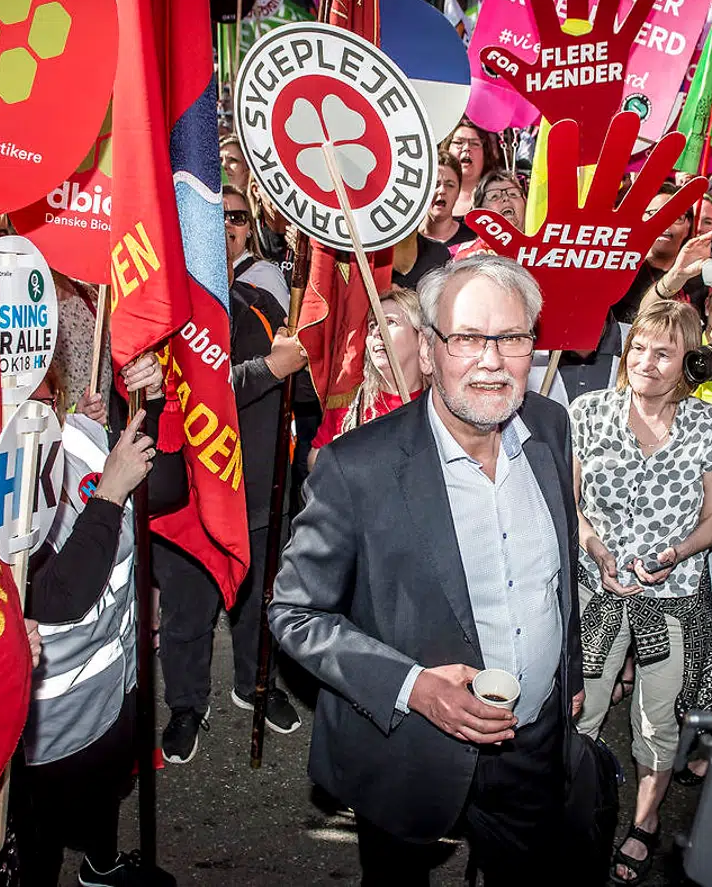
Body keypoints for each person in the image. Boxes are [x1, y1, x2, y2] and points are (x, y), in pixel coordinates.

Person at [270, 254, 587, 884]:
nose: (492, 361)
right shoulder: (356, 467)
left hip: (535, 740)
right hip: (409, 748)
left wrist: (568, 669)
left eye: (512, 337)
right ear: (431, 345)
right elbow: (294, 612)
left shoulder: (551, 428)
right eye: (468, 338)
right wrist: (412, 686)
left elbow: (558, 576)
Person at [571, 301, 712, 885]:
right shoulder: (588, 412)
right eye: (638, 347)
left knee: (656, 722)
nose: (645, 361)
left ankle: (643, 824)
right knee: (582, 709)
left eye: (662, 352)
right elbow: (573, 506)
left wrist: (676, 554)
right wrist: (596, 550)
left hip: (672, 598)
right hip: (600, 592)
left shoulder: (703, 424)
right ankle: (577, 811)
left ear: (687, 361)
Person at [15, 353, 186, 887]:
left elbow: (165, 491)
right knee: (34, 846)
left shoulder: (78, 436)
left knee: (106, 794)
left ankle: (103, 867)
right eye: (24, 405)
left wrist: (152, 406)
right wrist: (109, 493)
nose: (38, 415)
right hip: (47, 721)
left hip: (114, 687)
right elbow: (57, 596)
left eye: (45, 399)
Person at [155, 276, 312, 762]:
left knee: (259, 605)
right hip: (190, 496)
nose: (227, 228)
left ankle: (257, 685)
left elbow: (301, 384)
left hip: (260, 488)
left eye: (239, 219)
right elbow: (188, 392)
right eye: (216, 217)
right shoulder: (163, 306)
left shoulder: (261, 302)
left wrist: (301, 354)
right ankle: (186, 705)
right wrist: (269, 367)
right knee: (186, 613)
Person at [309, 285, 429, 462]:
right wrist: (338, 455)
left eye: (390, 322)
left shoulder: (437, 404)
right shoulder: (351, 399)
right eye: (372, 325)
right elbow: (313, 460)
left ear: (421, 338)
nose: (376, 332)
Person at [609, 183, 704, 326]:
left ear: (688, 225)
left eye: (676, 217)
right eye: (653, 214)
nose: (665, 223)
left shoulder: (700, 277)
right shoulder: (619, 269)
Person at [398, 153, 472, 290]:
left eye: (450, 185)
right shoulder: (402, 240)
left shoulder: (473, 238)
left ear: (458, 193)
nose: (442, 190)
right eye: (435, 184)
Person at [224, 184, 289, 311]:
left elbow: (284, 328)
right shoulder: (195, 277)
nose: (226, 224)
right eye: (218, 216)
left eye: (237, 218)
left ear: (250, 230)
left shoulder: (266, 274)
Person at [443, 118, 505, 216]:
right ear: (447, 149)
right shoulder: (430, 196)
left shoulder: (500, 197)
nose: (466, 148)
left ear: (485, 154)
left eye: (475, 144)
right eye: (459, 142)